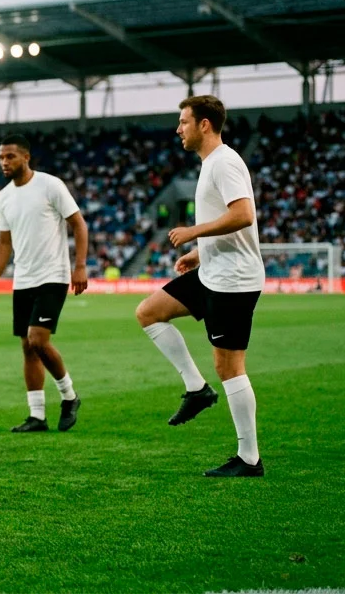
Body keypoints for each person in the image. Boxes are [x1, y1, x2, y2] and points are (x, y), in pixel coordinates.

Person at [134, 95, 266, 477]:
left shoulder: (224, 162)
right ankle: (196, 389)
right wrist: (200, 252)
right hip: (213, 270)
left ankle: (249, 459)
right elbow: (229, 221)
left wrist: (194, 232)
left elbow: (243, 215)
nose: (178, 129)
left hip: (233, 281)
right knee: (149, 312)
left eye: (184, 122)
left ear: (204, 124)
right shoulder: (211, 164)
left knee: (229, 367)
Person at [0, 134, 88, 433]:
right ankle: (37, 416)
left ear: (26, 157)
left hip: (53, 275)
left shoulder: (50, 185)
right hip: (23, 279)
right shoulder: (4, 196)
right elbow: (4, 243)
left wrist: (80, 266)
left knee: (38, 339)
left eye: (10, 156)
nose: (4, 162)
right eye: (1, 157)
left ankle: (69, 396)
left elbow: (78, 224)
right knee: (28, 348)